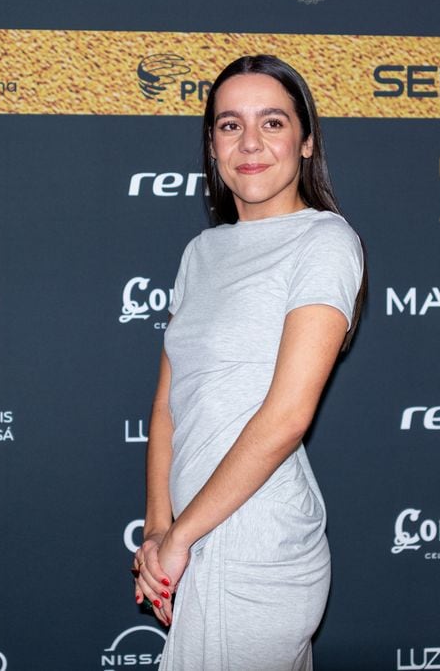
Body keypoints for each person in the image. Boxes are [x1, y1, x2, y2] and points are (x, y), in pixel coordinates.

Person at [131, 54, 367, 671]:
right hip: (194, 535)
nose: (251, 142)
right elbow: (168, 404)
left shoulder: (325, 241)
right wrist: (157, 528)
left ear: (306, 141)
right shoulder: (201, 252)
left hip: (258, 543)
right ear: (212, 145)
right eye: (230, 125)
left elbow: (287, 417)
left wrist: (181, 537)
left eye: (273, 122)